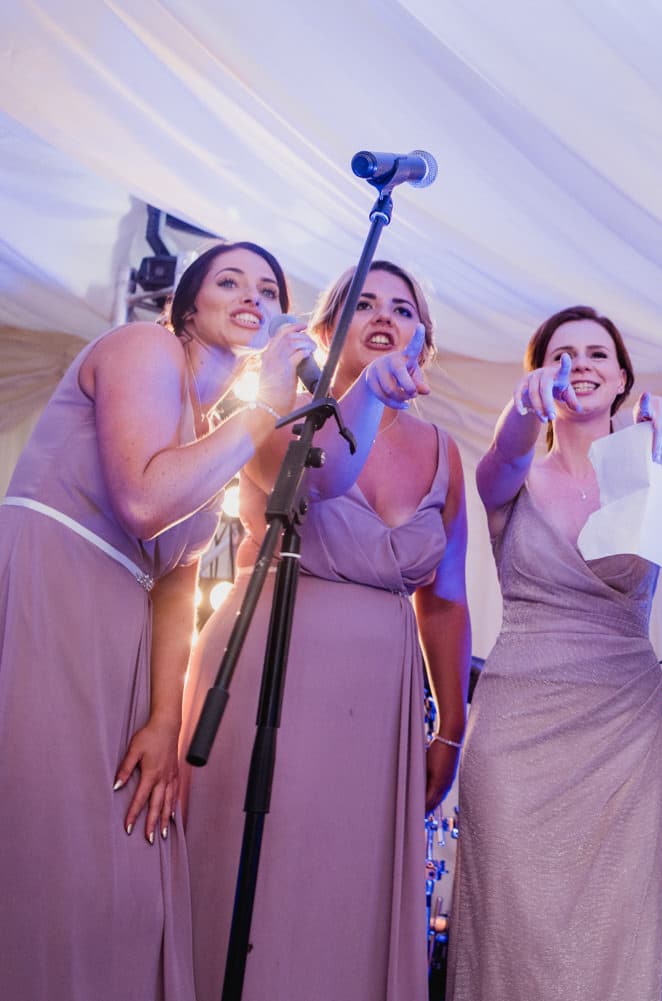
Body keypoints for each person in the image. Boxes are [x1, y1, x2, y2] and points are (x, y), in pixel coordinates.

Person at [0, 242, 314, 999]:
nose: (249, 293)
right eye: (228, 280)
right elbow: (142, 500)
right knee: (46, 851)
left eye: (267, 287)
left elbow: (176, 584)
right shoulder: (144, 349)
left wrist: (166, 723)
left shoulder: (216, 430)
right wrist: (264, 405)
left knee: (123, 877)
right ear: (187, 304)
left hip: (126, 639)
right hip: (51, 598)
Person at [182, 260, 468, 1001]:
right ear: (322, 332)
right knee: (261, 872)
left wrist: (450, 726)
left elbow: (445, 599)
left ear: (423, 341)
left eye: (403, 308)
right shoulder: (281, 409)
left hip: (379, 703)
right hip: (273, 669)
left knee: (351, 884)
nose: (383, 316)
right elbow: (318, 478)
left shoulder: (445, 452)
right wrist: (360, 394)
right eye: (361, 303)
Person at [449, 304, 662, 1001]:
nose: (579, 364)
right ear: (537, 375)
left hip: (622, 722)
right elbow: (500, 460)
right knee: (514, 918)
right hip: (521, 720)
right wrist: (522, 414)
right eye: (562, 353)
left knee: (619, 922)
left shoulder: (654, 471)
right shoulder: (513, 476)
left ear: (621, 379)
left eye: (596, 354)